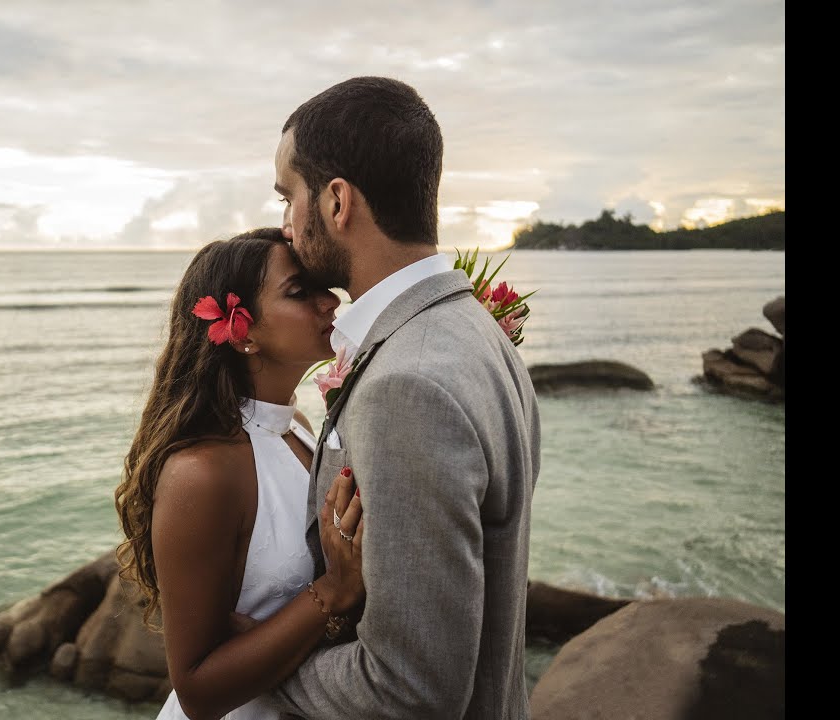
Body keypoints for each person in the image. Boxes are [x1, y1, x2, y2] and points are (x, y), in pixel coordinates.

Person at [266, 76, 542, 718]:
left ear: (337, 202)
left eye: (289, 197)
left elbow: (409, 692)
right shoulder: (478, 333)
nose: (283, 227)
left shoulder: (406, 386)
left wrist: (260, 666)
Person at [114, 227, 369, 720]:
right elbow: (198, 692)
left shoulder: (296, 427)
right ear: (241, 331)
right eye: (300, 292)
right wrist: (333, 591)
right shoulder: (202, 473)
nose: (329, 302)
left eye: (323, 287)